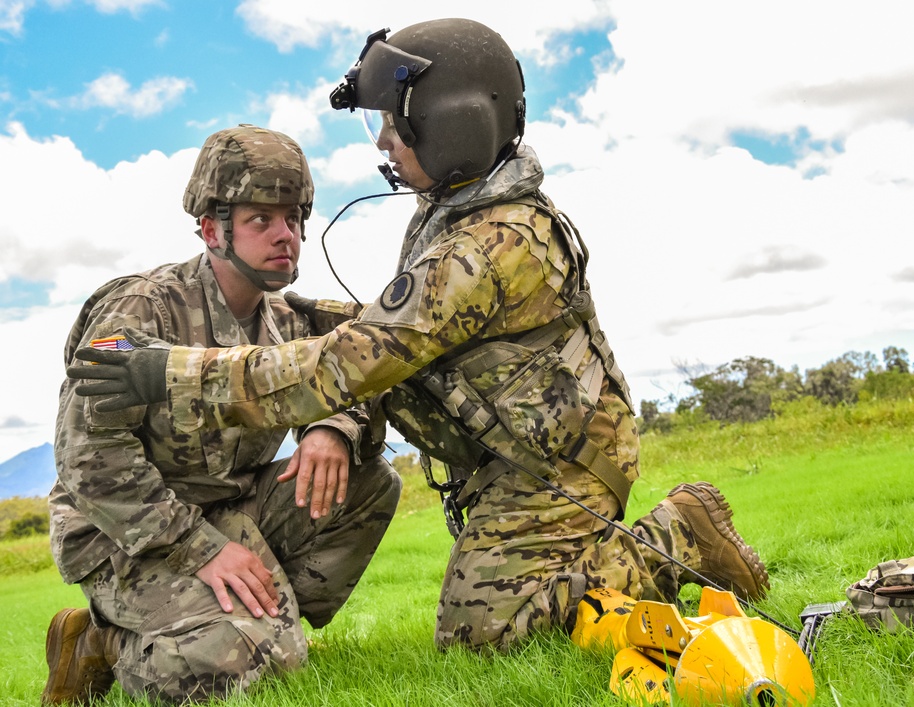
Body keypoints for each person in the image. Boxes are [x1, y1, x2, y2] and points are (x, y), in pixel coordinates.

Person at [70, 20, 768, 654]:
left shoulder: (486, 248)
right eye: (262, 218)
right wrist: (333, 424)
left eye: (396, 128)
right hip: (513, 449)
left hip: (558, 466)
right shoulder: (452, 212)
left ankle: (676, 533)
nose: (382, 143)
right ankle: (194, 622)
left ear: (452, 129)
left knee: (487, 639)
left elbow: (349, 359)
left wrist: (170, 374)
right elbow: (362, 333)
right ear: (210, 226)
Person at [45, 125, 401, 704]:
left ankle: (267, 628)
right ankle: (102, 643)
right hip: (123, 535)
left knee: (369, 481)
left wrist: (332, 427)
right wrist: (201, 550)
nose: (285, 235)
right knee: (228, 673)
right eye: (262, 219)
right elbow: (88, 460)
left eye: (293, 219)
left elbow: (359, 368)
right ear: (212, 229)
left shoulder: (286, 321)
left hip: (225, 509)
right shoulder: (140, 310)